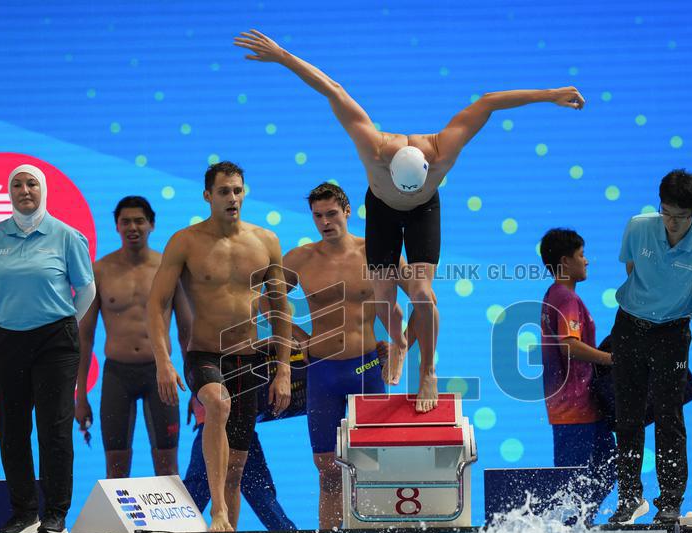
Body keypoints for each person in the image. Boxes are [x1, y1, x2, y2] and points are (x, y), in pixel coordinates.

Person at [234, 29, 585, 412]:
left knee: (422, 293)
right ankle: (398, 342)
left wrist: (550, 95)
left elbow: (489, 102)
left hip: (424, 211)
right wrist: (283, 55)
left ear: (429, 166)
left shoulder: (443, 147)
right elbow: (332, 89)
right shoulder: (372, 144)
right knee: (383, 295)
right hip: (381, 209)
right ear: (386, 166)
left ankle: (428, 370)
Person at [147, 161, 291, 532]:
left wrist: (283, 370)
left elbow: (280, 308)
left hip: (249, 359)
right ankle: (218, 514)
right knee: (216, 402)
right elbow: (157, 303)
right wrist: (163, 361)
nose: (232, 198)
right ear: (208, 195)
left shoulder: (266, 241)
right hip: (205, 354)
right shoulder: (186, 241)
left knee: (237, 469)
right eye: (224, 191)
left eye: (238, 190)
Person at [0, 164, 95, 533]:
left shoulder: (66, 236)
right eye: (17, 184)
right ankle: (24, 511)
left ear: (43, 189)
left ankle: (55, 513)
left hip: (55, 343)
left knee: (55, 427)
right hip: (4, 340)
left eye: (31, 183)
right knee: (11, 428)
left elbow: (86, 290)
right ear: (9, 191)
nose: (24, 190)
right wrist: (12, 317)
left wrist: (59, 325)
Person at [279, 183, 400, 529]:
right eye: (318, 216)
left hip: (366, 366)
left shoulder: (373, 252)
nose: (325, 221)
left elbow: (417, 297)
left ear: (348, 211)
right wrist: (299, 339)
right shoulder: (299, 259)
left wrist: (398, 343)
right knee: (327, 469)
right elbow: (265, 305)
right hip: (322, 373)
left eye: (332, 213)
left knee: (372, 465)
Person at [609, 169, 692, 525]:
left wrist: (667, 320)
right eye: (666, 213)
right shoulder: (638, 227)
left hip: (672, 334)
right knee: (627, 416)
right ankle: (629, 498)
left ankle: (670, 502)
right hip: (628, 326)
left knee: (668, 418)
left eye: (680, 217)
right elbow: (632, 271)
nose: (671, 224)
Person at [75, 196, 191, 478]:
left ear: (151, 224)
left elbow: (187, 331)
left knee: (167, 467)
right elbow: (85, 337)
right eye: (125, 221)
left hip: (160, 374)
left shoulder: (168, 269)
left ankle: (171, 524)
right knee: (115, 468)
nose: (132, 227)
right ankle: (118, 525)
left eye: (139, 220)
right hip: (117, 374)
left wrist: (196, 386)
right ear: (116, 226)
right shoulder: (99, 271)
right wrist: (80, 395)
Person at [538, 229, 616, 526]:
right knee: (573, 484)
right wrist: (611, 360)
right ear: (565, 261)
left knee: (608, 469)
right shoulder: (566, 298)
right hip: (574, 408)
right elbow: (569, 346)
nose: (587, 261)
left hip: (580, 407)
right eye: (581, 255)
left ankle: (581, 525)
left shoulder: (552, 296)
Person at [183, 395, 296, 531]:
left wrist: (283, 374)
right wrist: (199, 391)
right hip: (216, 407)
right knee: (198, 489)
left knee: (259, 491)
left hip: (240, 405)